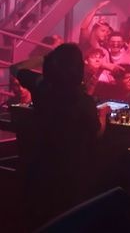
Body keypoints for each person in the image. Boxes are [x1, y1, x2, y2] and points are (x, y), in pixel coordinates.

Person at [16, 44, 108, 226]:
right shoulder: (84, 101)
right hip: (72, 172)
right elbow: (97, 133)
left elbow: (16, 68)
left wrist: (45, 59)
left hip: (42, 165)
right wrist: (103, 115)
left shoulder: (42, 86)